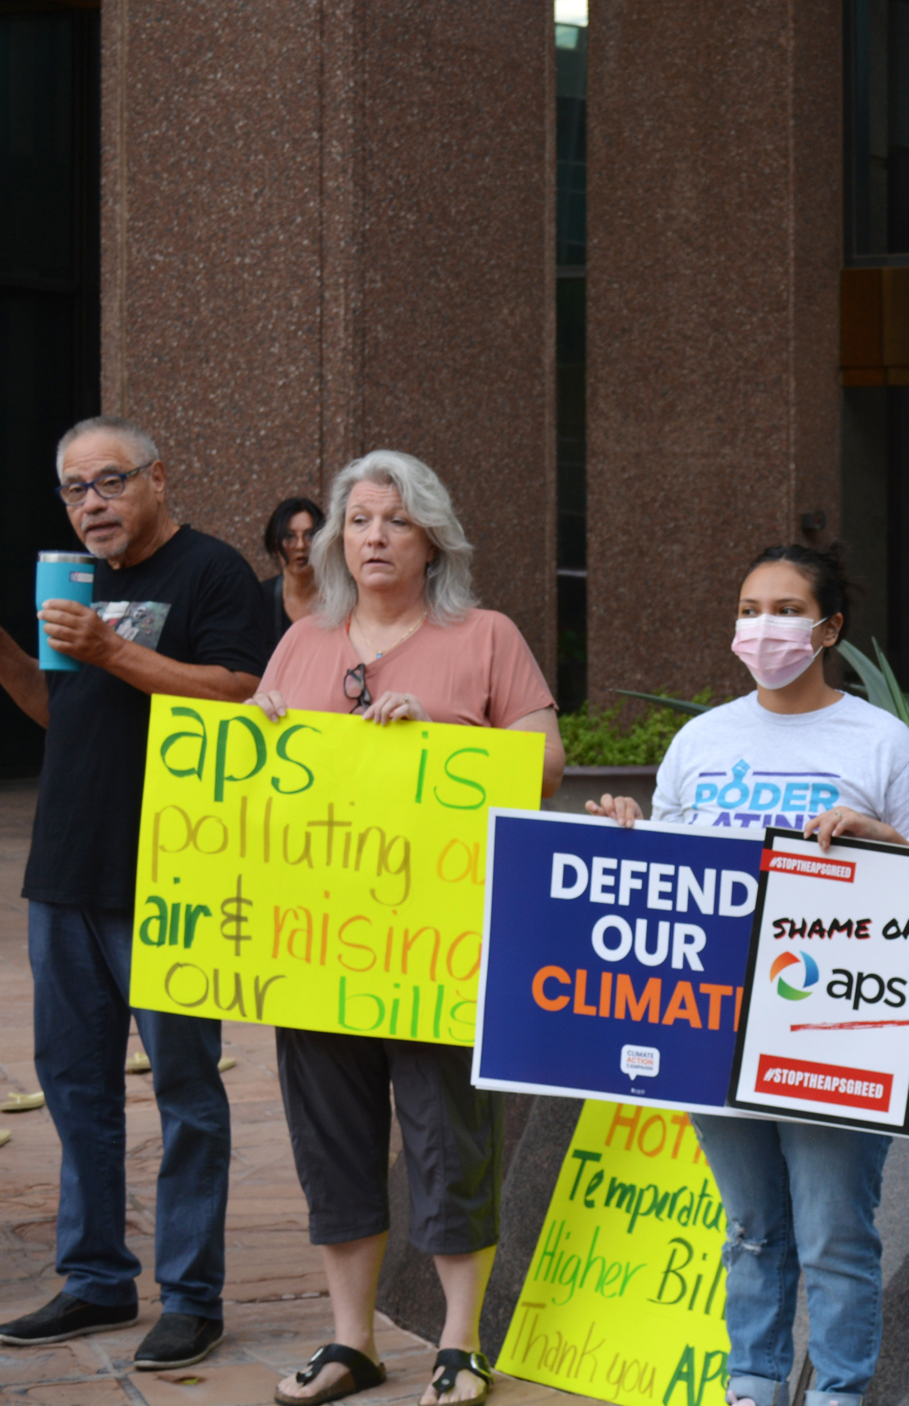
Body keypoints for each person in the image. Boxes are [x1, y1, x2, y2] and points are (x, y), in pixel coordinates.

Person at [586, 544, 909, 1406]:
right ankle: (750, 1384)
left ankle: (836, 1391)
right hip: (710, 1023)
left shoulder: (881, 741)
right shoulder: (700, 740)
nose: (763, 625)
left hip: (830, 1029)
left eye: (785, 609)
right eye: (750, 607)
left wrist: (880, 841)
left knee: (832, 1234)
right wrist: (628, 833)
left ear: (828, 629)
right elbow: (670, 876)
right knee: (750, 1229)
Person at [245, 449, 565, 1406]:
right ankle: (352, 1342)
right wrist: (258, 738)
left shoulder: (486, 636)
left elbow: (545, 764)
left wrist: (440, 734)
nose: (374, 537)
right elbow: (263, 783)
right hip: (319, 943)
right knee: (331, 1140)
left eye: (397, 521)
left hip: (442, 944)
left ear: (433, 541)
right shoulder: (304, 641)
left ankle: (458, 1345)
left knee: (447, 1137)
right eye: (358, 521)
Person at [0, 417, 272, 1371]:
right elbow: (60, 707)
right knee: (76, 1088)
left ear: (158, 478)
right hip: (65, 873)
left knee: (189, 1093)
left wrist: (114, 653)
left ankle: (192, 1296)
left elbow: (241, 694)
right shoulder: (73, 583)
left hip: (173, 876)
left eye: (109, 482)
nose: (92, 505)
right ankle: (96, 1281)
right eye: (74, 490)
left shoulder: (211, 572)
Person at [260, 495, 326, 636]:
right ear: (275, 544)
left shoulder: (343, 596)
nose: (300, 545)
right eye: (289, 536)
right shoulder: (260, 599)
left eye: (309, 535)